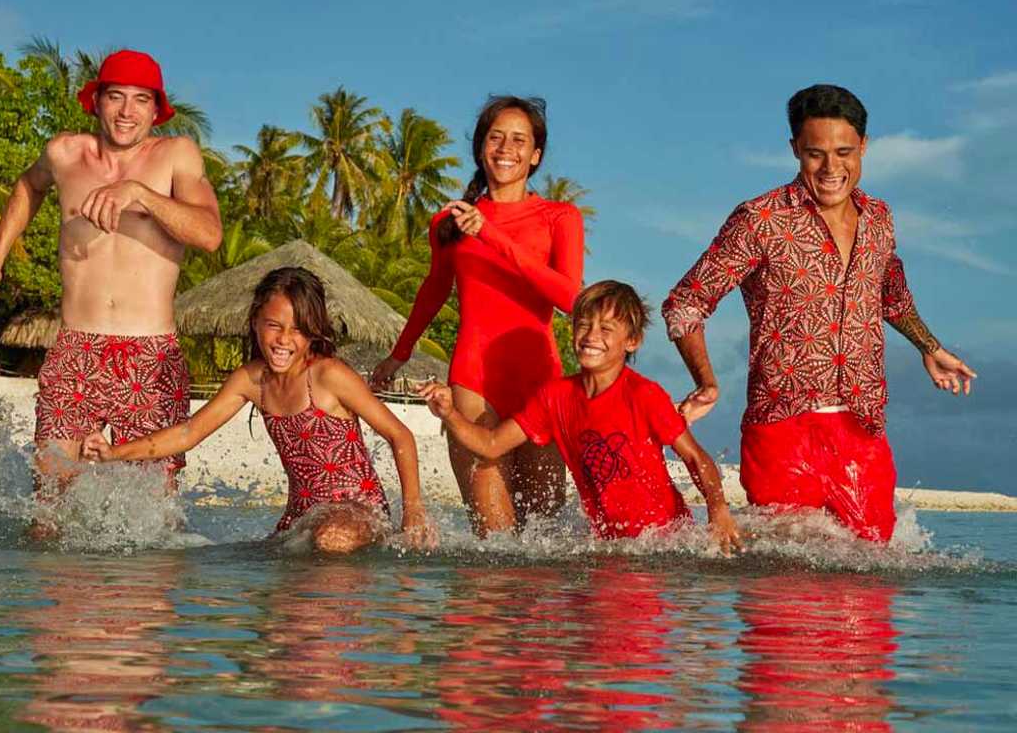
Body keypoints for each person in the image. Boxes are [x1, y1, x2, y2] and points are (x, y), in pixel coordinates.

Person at [662, 83, 977, 543]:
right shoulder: (760, 219)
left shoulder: (879, 219)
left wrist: (929, 347)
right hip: (782, 427)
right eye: (815, 154)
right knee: (786, 577)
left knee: (872, 575)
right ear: (795, 148)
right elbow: (685, 303)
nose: (831, 168)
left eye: (844, 152)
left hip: (863, 427)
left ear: (864, 146)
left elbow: (890, 294)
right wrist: (706, 381)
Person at [0, 49, 223, 494]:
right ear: (96, 101)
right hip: (76, 347)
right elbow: (28, 185)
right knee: (50, 499)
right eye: (116, 96)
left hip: (150, 355)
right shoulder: (64, 153)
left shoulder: (176, 155)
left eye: (141, 99)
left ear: (156, 110)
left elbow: (209, 234)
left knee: (151, 507)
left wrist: (140, 194)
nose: (126, 111)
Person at [84, 266, 435, 554]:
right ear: (255, 322)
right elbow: (189, 433)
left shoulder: (329, 375)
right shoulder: (252, 380)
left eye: (297, 330)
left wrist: (413, 511)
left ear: (312, 334)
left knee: (332, 539)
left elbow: (399, 435)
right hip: (302, 517)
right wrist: (114, 453)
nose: (284, 340)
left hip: (358, 512)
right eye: (274, 326)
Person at [369, 95, 585, 536]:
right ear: (481, 147)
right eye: (496, 138)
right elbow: (433, 291)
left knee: (545, 542)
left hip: (540, 383)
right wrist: (399, 354)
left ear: (535, 155)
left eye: (519, 140)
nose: (506, 149)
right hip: (474, 381)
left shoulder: (560, 217)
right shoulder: (449, 222)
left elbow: (569, 298)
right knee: (494, 544)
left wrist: (491, 236)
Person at [420, 280, 741, 551]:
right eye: (584, 325)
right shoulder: (554, 397)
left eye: (606, 329)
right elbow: (491, 444)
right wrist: (450, 413)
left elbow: (696, 457)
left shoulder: (644, 394)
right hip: (609, 546)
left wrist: (718, 510)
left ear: (632, 341)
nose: (591, 336)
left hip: (665, 542)